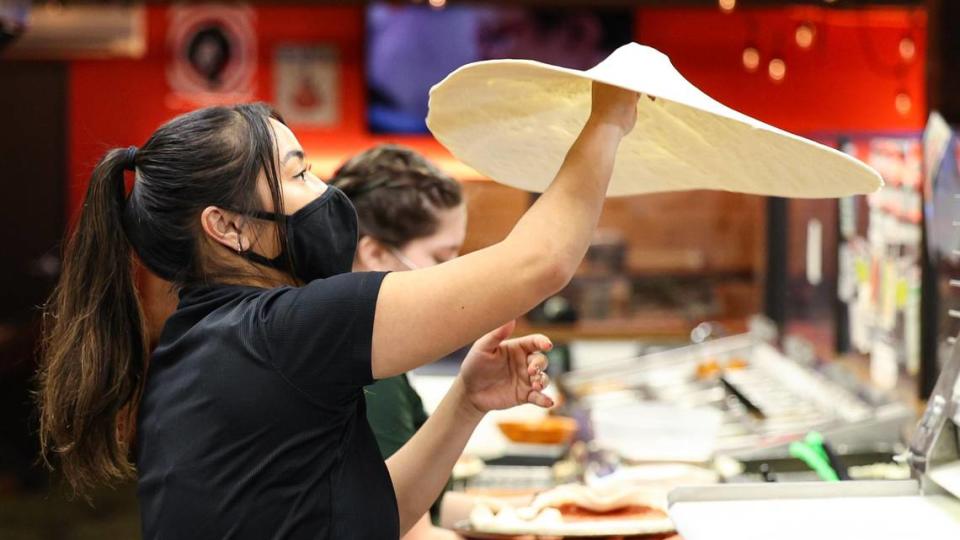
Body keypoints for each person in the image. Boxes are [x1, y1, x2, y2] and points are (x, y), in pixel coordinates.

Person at [36, 83, 638, 538]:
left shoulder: (206, 337)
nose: (325, 191)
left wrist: (467, 401)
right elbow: (540, 262)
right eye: (299, 174)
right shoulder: (285, 329)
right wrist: (609, 115)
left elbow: (372, 517)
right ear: (226, 227)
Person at [331, 145, 467, 539]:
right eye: (442, 257)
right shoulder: (368, 364)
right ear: (374, 252)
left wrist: (534, 513)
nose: (457, 275)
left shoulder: (372, 343)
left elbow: (431, 506)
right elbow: (408, 532)